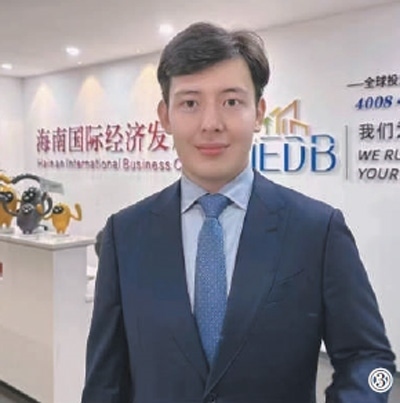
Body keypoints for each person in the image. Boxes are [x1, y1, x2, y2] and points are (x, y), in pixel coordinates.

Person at [81, 22, 396, 403]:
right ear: (165, 116)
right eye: (190, 103)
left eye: (231, 102)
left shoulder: (317, 230)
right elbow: (104, 382)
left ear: (258, 112)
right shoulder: (125, 234)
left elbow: (373, 363)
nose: (211, 124)